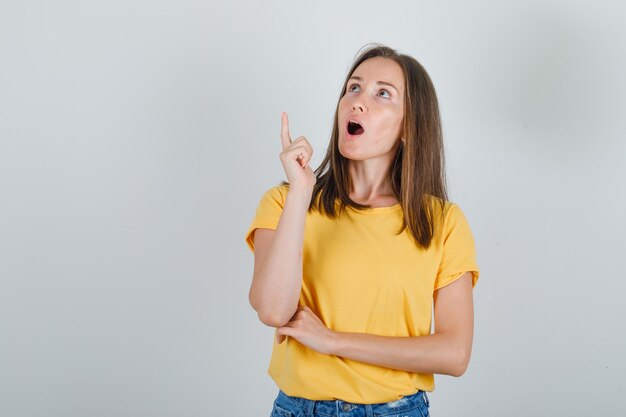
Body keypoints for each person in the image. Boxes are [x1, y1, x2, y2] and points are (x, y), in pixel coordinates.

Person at [245, 44, 480, 417]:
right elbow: (273, 310)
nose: (357, 101)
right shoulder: (285, 202)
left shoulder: (442, 222)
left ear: (409, 126)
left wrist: (333, 341)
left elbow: (454, 354)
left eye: (382, 93)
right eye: (353, 87)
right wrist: (302, 192)